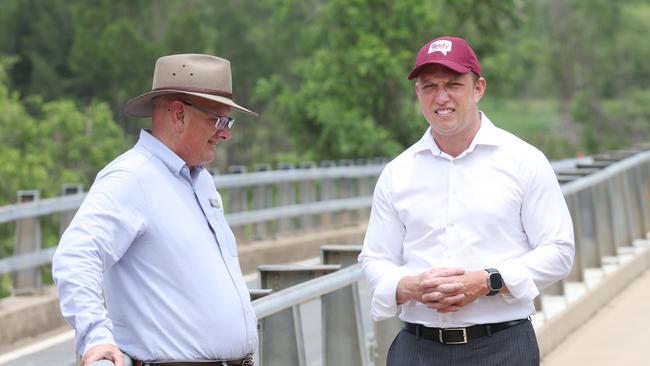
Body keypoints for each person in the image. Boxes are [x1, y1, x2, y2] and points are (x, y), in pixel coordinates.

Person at [358, 36, 575, 365]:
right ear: (418, 92)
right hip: (416, 349)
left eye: (453, 84)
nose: (441, 97)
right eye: (429, 85)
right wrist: (410, 286)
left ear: (478, 88)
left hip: (501, 347)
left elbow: (559, 250)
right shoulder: (397, 173)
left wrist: (489, 281)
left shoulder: (524, 161)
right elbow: (374, 259)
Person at [53, 54, 258, 366]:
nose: (226, 133)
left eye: (228, 122)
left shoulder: (201, 181)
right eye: (217, 120)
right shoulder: (132, 178)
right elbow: (76, 255)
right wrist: (95, 336)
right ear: (178, 114)